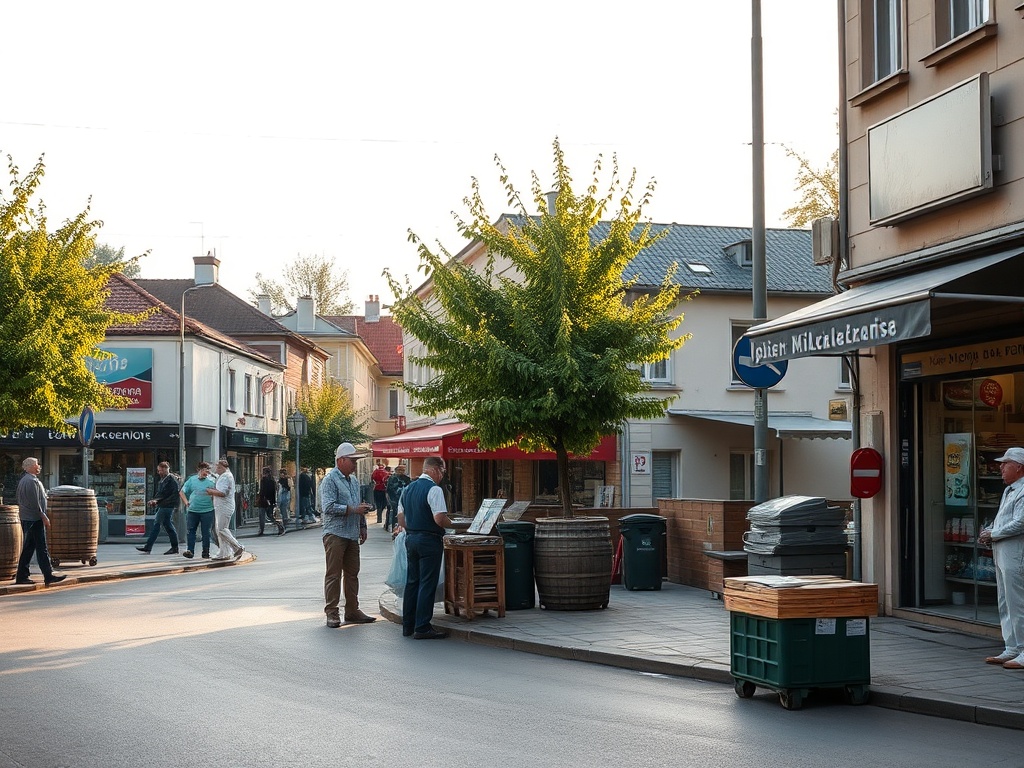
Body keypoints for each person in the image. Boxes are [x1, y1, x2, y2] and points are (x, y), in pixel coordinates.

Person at [320, 442, 376, 627]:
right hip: (335, 533)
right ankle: (332, 612)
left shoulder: (353, 481)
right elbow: (327, 507)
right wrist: (353, 510)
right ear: (341, 460)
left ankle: (352, 610)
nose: (355, 464)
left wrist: (362, 525)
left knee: (352, 574)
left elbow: (357, 504)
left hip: (351, 533)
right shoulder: (329, 480)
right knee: (334, 574)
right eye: (352, 460)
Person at [397, 456, 453, 639]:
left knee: (412, 582)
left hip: (411, 538)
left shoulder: (407, 489)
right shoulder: (434, 490)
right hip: (429, 540)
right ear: (435, 469)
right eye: (443, 471)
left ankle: (408, 625)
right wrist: (451, 524)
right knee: (427, 583)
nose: (442, 476)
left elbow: (401, 519)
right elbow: (439, 518)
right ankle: (422, 627)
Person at [980, 447, 1024, 669]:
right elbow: (1003, 519)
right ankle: (1012, 647)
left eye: (1005, 463)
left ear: (1018, 467)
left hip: (1016, 553)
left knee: (1018, 603)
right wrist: (989, 530)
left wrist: (994, 533)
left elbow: (1020, 522)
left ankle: (1023, 650)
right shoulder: (1009, 490)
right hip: (1003, 551)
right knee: (1005, 601)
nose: (1001, 467)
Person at [14, 457, 65, 586]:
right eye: (37, 464)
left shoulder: (26, 480)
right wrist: (43, 516)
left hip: (29, 517)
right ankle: (48, 576)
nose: (39, 466)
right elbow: (34, 502)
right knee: (41, 548)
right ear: (30, 466)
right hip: (34, 519)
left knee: (29, 548)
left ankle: (22, 576)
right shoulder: (31, 481)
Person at [137, 461, 180, 554]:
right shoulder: (164, 480)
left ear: (165, 469)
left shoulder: (171, 480)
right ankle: (175, 547)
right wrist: (155, 500)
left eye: (160, 470)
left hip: (167, 506)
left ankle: (148, 546)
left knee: (157, 524)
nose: (159, 472)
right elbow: (162, 493)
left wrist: (157, 500)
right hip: (165, 505)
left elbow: (170, 494)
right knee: (168, 526)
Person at [208, 457, 244, 561]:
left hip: (224, 506)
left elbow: (223, 493)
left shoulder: (225, 477)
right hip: (222, 506)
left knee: (221, 529)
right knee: (220, 530)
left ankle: (237, 546)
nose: (217, 469)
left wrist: (211, 491)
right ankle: (224, 553)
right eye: (216, 467)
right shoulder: (224, 476)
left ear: (225, 467)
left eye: (219, 467)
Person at [179, 462, 217, 559]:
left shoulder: (211, 481)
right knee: (191, 531)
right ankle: (190, 551)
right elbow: (182, 492)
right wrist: (186, 502)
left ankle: (206, 552)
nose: (207, 472)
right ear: (199, 470)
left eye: (208, 470)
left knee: (206, 532)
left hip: (207, 511)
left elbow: (216, 494)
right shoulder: (192, 480)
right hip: (193, 511)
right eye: (205, 470)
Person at [257, 466, 284, 536]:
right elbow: (272, 492)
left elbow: (264, 491)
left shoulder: (265, 481)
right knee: (268, 516)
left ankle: (262, 530)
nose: (262, 474)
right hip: (268, 501)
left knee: (265, 516)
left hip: (265, 501)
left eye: (263, 473)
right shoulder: (271, 481)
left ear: (266, 473)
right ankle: (279, 526)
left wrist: (264, 498)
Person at [385, 463, 411, 533]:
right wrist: (389, 499)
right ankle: (394, 529)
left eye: (403, 470)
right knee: (394, 514)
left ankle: (402, 529)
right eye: (399, 470)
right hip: (394, 499)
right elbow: (388, 490)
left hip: (403, 499)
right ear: (396, 470)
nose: (401, 471)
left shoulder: (407, 479)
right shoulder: (391, 478)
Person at [371, 460, 390, 525]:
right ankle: (380, 512)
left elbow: (372, 478)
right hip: (383, 489)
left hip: (376, 488)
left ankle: (379, 516)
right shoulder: (386, 472)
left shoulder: (375, 472)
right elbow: (387, 481)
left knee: (378, 502)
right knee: (384, 503)